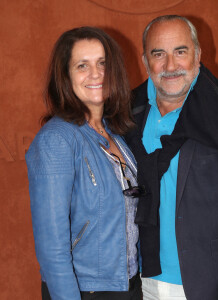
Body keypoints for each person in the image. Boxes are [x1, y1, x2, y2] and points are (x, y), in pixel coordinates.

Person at [125, 15, 218, 300]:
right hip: (140, 285)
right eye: (159, 54)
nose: (171, 66)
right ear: (145, 60)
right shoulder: (124, 112)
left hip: (210, 287)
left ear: (197, 55)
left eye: (180, 52)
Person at [26, 27, 143, 300]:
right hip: (86, 290)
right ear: (65, 76)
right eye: (82, 65)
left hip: (127, 284)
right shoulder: (57, 139)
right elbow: (52, 249)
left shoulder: (114, 133)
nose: (96, 74)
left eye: (103, 64)